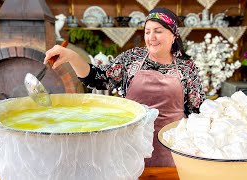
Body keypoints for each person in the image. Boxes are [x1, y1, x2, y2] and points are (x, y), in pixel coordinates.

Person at [44, 7, 206, 167]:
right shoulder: (132, 58)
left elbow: (198, 113)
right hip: (130, 148)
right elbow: (97, 78)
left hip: (172, 150)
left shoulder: (186, 67)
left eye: (158, 31)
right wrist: (72, 56)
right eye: (147, 31)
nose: (151, 37)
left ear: (173, 35)